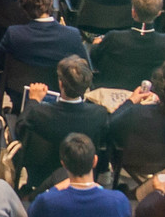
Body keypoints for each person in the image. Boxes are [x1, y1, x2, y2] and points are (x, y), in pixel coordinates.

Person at [15, 56, 111, 190]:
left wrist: (33, 101)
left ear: (60, 83)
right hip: (81, 174)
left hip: (41, 176)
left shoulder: (38, 112)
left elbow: (19, 129)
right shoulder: (99, 114)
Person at [30, 134, 131, 217]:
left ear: (63, 164)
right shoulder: (119, 201)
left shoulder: (46, 202)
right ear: (95, 161)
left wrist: (54, 189)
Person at [91, 0, 165, 91]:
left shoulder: (114, 38)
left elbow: (94, 56)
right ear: (158, 13)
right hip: (150, 95)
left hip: (113, 92)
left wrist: (95, 45)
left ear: (133, 12)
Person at [0, 0, 88, 72]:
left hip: (18, 85)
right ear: (51, 2)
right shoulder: (72, 35)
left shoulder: (13, 34)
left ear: (23, 7)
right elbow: (83, 68)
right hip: (56, 86)